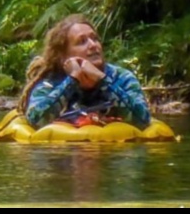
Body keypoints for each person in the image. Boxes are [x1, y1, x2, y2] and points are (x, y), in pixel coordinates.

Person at [17, 14, 152, 130]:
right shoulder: (51, 82)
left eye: (94, 38)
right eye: (82, 42)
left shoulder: (122, 77)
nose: (93, 45)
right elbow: (36, 121)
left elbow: (143, 120)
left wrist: (102, 80)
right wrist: (73, 80)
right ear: (63, 56)